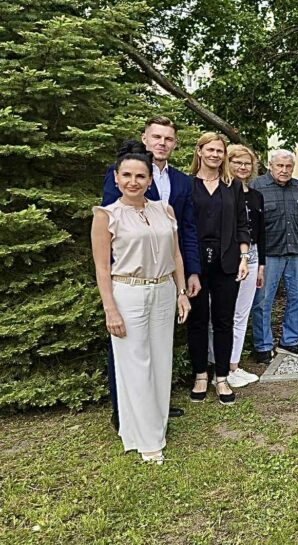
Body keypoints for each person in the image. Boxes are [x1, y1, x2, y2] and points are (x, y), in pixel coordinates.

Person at [91, 141, 191, 464]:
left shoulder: (164, 210)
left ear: (150, 179)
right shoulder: (106, 216)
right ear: (116, 178)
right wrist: (110, 309)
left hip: (163, 290)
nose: (133, 181)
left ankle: (155, 426)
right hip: (128, 292)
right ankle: (147, 440)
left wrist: (181, 292)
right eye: (127, 175)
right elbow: (102, 268)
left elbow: (175, 254)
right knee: (135, 364)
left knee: (161, 361)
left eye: (140, 176)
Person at [186, 133, 250, 405]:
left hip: (227, 261)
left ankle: (221, 377)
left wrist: (244, 257)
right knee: (198, 320)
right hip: (196, 263)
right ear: (199, 152)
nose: (215, 155)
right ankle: (201, 374)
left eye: (220, 151)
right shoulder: (186, 185)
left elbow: (242, 224)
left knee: (224, 320)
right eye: (210, 150)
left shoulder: (232, 186)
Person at [251, 150, 298, 358]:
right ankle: (262, 346)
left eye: (288, 166)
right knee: (263, 301)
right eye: (280, 166)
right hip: (269, 254)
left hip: (297, 252)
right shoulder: (257, 187)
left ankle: (289, 341)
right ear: (271, 166)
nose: (284, 170)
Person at [210, 144, 264, 388]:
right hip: (227, 258)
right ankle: (217, 366)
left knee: (242, 314)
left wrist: (261, 263)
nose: (243, 167)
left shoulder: (255, 196)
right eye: (237, 162)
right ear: (227, 163)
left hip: (251, 257)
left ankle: (233, 365)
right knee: (222, 315)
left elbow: (260, 232)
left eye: (247, 163)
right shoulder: (220, 191)